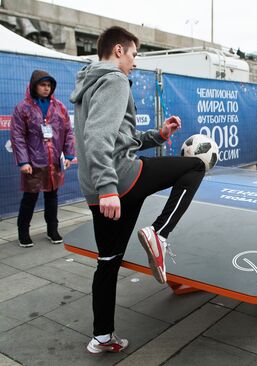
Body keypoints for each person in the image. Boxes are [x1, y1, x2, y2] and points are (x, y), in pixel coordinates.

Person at [70, 26, 206, 354]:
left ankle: (102, 336)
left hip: (97, 187)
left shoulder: (88, 81)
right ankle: (160, 233)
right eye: (133, 54)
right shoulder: (114, 79)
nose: (134, 62)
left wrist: (158, 135)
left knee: (108, 259)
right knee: (195, 167)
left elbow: (116, 137)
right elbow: (99, 136)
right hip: (120, 179)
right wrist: (108, 188)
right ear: (118, 51)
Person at [10, 70, 75, 248]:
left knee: (52, 197)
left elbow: (68, 131)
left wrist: (68, 154)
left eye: (49, 85)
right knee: (29, 198)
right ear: (34, 86)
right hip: (33, 162)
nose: (46, 89)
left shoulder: (59, 107)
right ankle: (23, 233)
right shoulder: (23, 108)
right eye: (42, 85)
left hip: (54, 161)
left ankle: (52, 230)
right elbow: (18, 136)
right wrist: (23, 162)